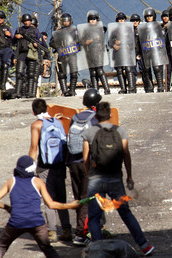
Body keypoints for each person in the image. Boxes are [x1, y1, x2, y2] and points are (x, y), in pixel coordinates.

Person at [82, 102, 155, 256]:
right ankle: (144, 246)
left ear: (95, 117)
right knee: (126, 213)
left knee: (94, 217)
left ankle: (98, 251)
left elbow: (85, 158)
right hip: (115, 178)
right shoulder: (120, 131)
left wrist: (90, 175)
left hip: (96, 178)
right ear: (110, 115)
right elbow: (126, 154)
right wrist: (129, 175)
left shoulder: (89, 132)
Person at [0, 155, 80, 257]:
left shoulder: (11, 181)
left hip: (16, 222)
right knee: (47, 248)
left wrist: (8, 208)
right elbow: (51, 204)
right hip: (36, 223)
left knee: (1, 247)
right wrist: (71, 205)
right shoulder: (38, 182)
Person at [29, 98, 72, 242]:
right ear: (47, 108)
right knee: (61, 198)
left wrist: (29, 167)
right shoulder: (57, 122)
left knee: (48, 199)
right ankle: (66, 229)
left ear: (33, 111)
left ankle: (52, 232)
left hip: (45, 166)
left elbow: (34, 148)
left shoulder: (37, 125)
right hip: (59, 165)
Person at [66, 89, 101, 246]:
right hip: (87, 163)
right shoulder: (94, 119)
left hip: (73, 162)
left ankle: (83, 229)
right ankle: (80, 234)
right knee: (88, 198)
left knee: (79, 198)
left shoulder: (75, 117)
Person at [13, 13, 45, 98]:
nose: (27, 22)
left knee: (31, 74)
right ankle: (18, 92)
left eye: (28, 21)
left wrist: (36, 44)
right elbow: (14, 43)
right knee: (19, 73)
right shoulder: (19, 30)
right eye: (25, 21)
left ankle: (31, 92)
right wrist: (16, 37)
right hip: (21, 53)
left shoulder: (35, 30)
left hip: (31, 53)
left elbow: (40, 41)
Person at [80, 10, 111, 94]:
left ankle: (106, 89)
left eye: (94, 19)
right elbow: (82, 41)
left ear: (97, 20)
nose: (92, 20)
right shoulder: (86, 30)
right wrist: (87, 42)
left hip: (99, 52)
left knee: (99, 70)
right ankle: (95, 90)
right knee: (92, 72)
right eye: (91, 19)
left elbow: (103, 31)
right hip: (89, 52)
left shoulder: (101, 28)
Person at [50, 13, 80, 96]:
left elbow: (80, 40)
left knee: (74, 73)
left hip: (72, 54)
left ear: (71, 21)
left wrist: (76, 43)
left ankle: (72, 90)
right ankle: (64, 91)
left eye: (68, 21)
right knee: (62, 74)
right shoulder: (58, 32)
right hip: (62, 54)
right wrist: (58, 46)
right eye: (64, 21)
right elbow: (51, 42)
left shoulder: (75, 31)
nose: (66, 22)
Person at [108, 12, 137, 94]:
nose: (121, 21)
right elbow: (109, 42)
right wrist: (114, 44)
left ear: (125, 20)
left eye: (122, 19)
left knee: (128, 69)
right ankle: (123, 88)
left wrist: (126, 44)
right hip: (117, 54)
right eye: (119, 19)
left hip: (127, 53)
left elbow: (133, 40)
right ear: (117, 20)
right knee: (119, 71)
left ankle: (131, 88)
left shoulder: (129, 29)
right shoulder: (114, 30)